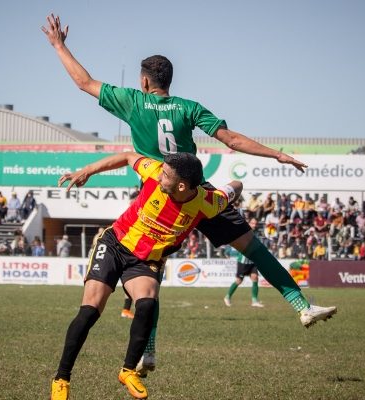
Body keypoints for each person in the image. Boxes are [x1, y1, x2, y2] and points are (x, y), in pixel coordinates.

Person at [42, 12, 336, 376]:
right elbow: (230, 139)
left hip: (157, 194)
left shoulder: (133, 100)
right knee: (252, 247)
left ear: (145, 81)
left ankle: (148, 352)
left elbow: (83, 82)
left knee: (150, 271)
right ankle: (300, 305)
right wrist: (275, 153)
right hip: (197, 192)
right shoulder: (189, 107)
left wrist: (58, 45)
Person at [49, 151, 241, 400]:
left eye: (166, 174)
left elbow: (237, 185)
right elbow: (128, 156)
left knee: (148, 303)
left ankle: (128, 370)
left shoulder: (208, 202)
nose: (160, 175)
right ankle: (62, 378)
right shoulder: (154, 171)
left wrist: (228, 188)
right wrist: (87, 170)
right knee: (90, 310)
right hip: (115, 245)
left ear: (182, 185)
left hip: (145, 260)